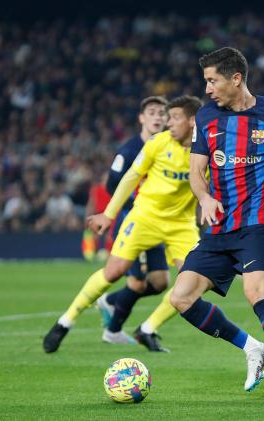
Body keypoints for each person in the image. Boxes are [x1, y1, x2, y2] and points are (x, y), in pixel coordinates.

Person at [169, 47, 264, 408]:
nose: (208, 89)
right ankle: (253, 348)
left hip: (258, 224)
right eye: (206, 81)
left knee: (257, 293)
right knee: (181, 296)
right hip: (219, 228)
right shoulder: (207, 117)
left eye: (212, 80)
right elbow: (196, 172)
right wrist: (203, 198)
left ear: (236, 79)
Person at [43, 95, 203, 354]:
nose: (166, 122)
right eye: (162, 115)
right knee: (115, 272)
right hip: (144, 217)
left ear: (193, 121)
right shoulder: (156, 144)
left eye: (172, 117)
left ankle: (148, 328)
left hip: (181, 224)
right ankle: (65, 322)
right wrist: (108, 214)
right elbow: (130, 177)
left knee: (192, 282)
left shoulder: (206, 150)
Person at [93, 96, 174, 350]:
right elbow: (110, 184)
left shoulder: (167, 147)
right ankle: (113, 330)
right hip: (134, 220)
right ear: (142, 118)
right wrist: (132, 202)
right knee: (137, 282)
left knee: (160, 282)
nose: (158, 117)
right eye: (152, 112)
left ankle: (109, 301)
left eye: (163, 113)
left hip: (156, 222)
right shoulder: (129, 150)